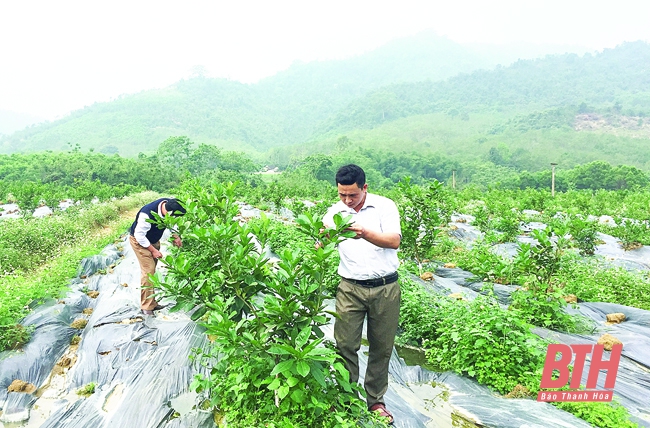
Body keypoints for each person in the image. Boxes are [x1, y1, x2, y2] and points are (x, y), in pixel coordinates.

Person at [323, 164, 401, 425]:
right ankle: (346, 398)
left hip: (385, 287)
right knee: (345, 344)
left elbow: (394, 241)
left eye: (352, 195)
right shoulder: (334, 212)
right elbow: (322, 241)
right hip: (350, 288)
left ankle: (376, 401)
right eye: (342, 194)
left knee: (381, 346)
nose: (346, 200)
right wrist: (321, 239)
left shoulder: (384, 207)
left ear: (364, 188)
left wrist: (364, 233)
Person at [129, 198, 186, 315]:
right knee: (148, 272)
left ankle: (152, 302)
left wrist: (176, 237)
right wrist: (153, 250)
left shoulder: (169, 204)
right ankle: (147, 307)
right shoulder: (147, 214)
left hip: (153, 240)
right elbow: (139, 236)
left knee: (152, 272)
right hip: (140, 242)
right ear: (169, 213)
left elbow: (172, 224)